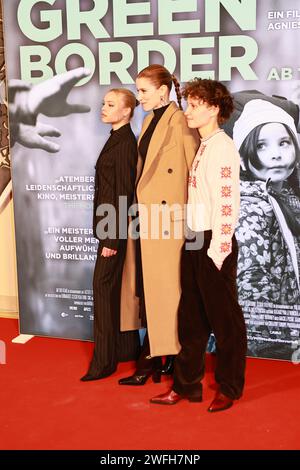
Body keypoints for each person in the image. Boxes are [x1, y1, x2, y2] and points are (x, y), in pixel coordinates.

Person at [150, 78, 247, 412]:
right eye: (188, 103)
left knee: (225, 320)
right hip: (194, 238)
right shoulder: (205, 144)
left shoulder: (221, 147)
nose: (188, 111)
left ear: (214, 109)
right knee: (190, 318)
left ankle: (230, 388)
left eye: (194, 105)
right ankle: (185, 385)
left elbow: (226, 203)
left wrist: (219, 248)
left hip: (211, 241)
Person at [118, 65, 199, 386]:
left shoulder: (181, 122)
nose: (139, 98)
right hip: (145, 220)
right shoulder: (149, 119)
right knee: (148, 291)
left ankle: (161, 358)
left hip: (169, 224)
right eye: (137, 92)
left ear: (162, 91)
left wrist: (192, 223)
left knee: (167, 293)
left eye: (143, 91)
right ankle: (158, 357)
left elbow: (193, 172)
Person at [231, 99, 300, 357]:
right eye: (261, 145)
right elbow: (251, 282)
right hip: (270, 345)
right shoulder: (251, 208)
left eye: (284, 142)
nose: (276, 154)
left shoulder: (288, 197)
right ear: (243, 158)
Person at [80, 88, 141, 381]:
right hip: (110, 229)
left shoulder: (125, 144)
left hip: (112, 232)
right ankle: (126, 349)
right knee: (115, 289)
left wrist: (111, 239)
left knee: (103, 290)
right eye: (104, 103)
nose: (103, 108)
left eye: (111, 104)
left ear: (127, 111)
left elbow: (122, 194)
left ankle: (103, 362)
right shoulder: (117, 139)